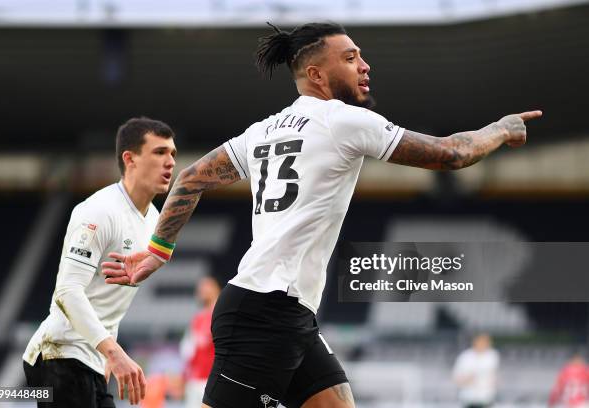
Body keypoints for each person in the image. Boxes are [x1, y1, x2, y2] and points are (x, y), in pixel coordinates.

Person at [102, 22, 541, 408]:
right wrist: (500, 129)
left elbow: (193, 177)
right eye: (350, 58)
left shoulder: (264, 129)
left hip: (284, 311)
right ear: (316, 74)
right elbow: (450, 154)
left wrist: (159, 251)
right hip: (266, 311)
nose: (364, 65)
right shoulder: (342, 121)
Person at [23, 117, 177, 407]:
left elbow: (113, 300)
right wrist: (114, 352)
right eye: (159, 152)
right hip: (59, 354)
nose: (170, 161)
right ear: (129, 159)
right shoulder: (99, 211)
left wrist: (105, 357)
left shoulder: (156, 222)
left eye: (173, 153)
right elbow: (68, 292)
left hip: (92, 361)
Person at [178, 276, 221, 407]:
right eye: (200, 288)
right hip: (195, 380)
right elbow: (189, 352)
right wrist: (184, 378)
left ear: (216, 289)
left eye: (206, 287)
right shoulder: (198, 319)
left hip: (211, 381)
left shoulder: (220, 315)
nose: (201, 290)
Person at [452, 334, 500, 408]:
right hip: (469, 397)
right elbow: (456, 378)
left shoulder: (492, 355)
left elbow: (494, 376)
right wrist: (467, 380)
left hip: (486, 397)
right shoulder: (465, 357)